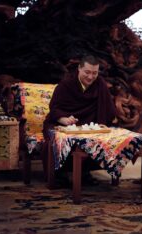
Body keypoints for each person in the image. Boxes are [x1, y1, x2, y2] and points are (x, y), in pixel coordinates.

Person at [43, 55, 116, 186]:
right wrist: (63, 119)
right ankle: (59, 174)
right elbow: (54, 108)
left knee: (100, 139)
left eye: (94, 73)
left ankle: (84, 172)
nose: (90, 77)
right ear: (79, 69)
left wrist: (102, 123)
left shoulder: (100, 83)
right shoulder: (66, 84)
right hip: (62, 123)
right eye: (87, 72)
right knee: (57, 138)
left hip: (88, 125)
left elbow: (109, 108)